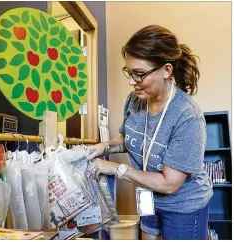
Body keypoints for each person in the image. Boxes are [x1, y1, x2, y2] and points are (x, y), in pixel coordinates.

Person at [87, 25, 213, 240]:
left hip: (182, 205)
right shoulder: (135, 100)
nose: (131, 82)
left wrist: (116, 169)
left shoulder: (187, 115)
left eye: (139, 74)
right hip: (146, 194)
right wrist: (104, 147)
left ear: (166, 71)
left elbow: (169, 184)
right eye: (129, 72)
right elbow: (131, 139)